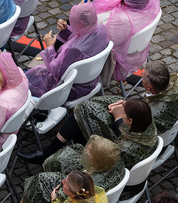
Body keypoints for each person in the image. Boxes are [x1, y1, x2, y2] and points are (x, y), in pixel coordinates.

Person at [23, 69, 171, 164]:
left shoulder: (134, 141)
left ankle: (49, 153)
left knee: (83, 113)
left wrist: (119, 118)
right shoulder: (157, 108)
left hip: (112, 157)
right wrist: (126, 105)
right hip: (131, 135)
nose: (142, 74)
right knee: (83, 116)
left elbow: (122, 145)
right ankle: (58, 147)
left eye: (143, 76)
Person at [19, 135, 123, 203]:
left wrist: (54, 200)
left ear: (95, 161)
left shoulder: (84, 186)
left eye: (89, 150)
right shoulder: (110, 167)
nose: (85, 150)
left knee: (36, 185)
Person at [27, 2, 109, 101]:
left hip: (70, 88)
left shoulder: (75, 50)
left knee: (26, 81)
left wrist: (49, 47)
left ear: (81, 23)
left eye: (72, 21)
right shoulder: (102, 29)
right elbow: (83, 37)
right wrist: (67, 30)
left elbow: (57, 72)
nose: (70, 21)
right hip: (91, 79)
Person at [93, 0, 159, 83]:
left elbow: (102, 43)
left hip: (114, 58)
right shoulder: (151, 1)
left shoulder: (121, 21)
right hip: (138, 47)